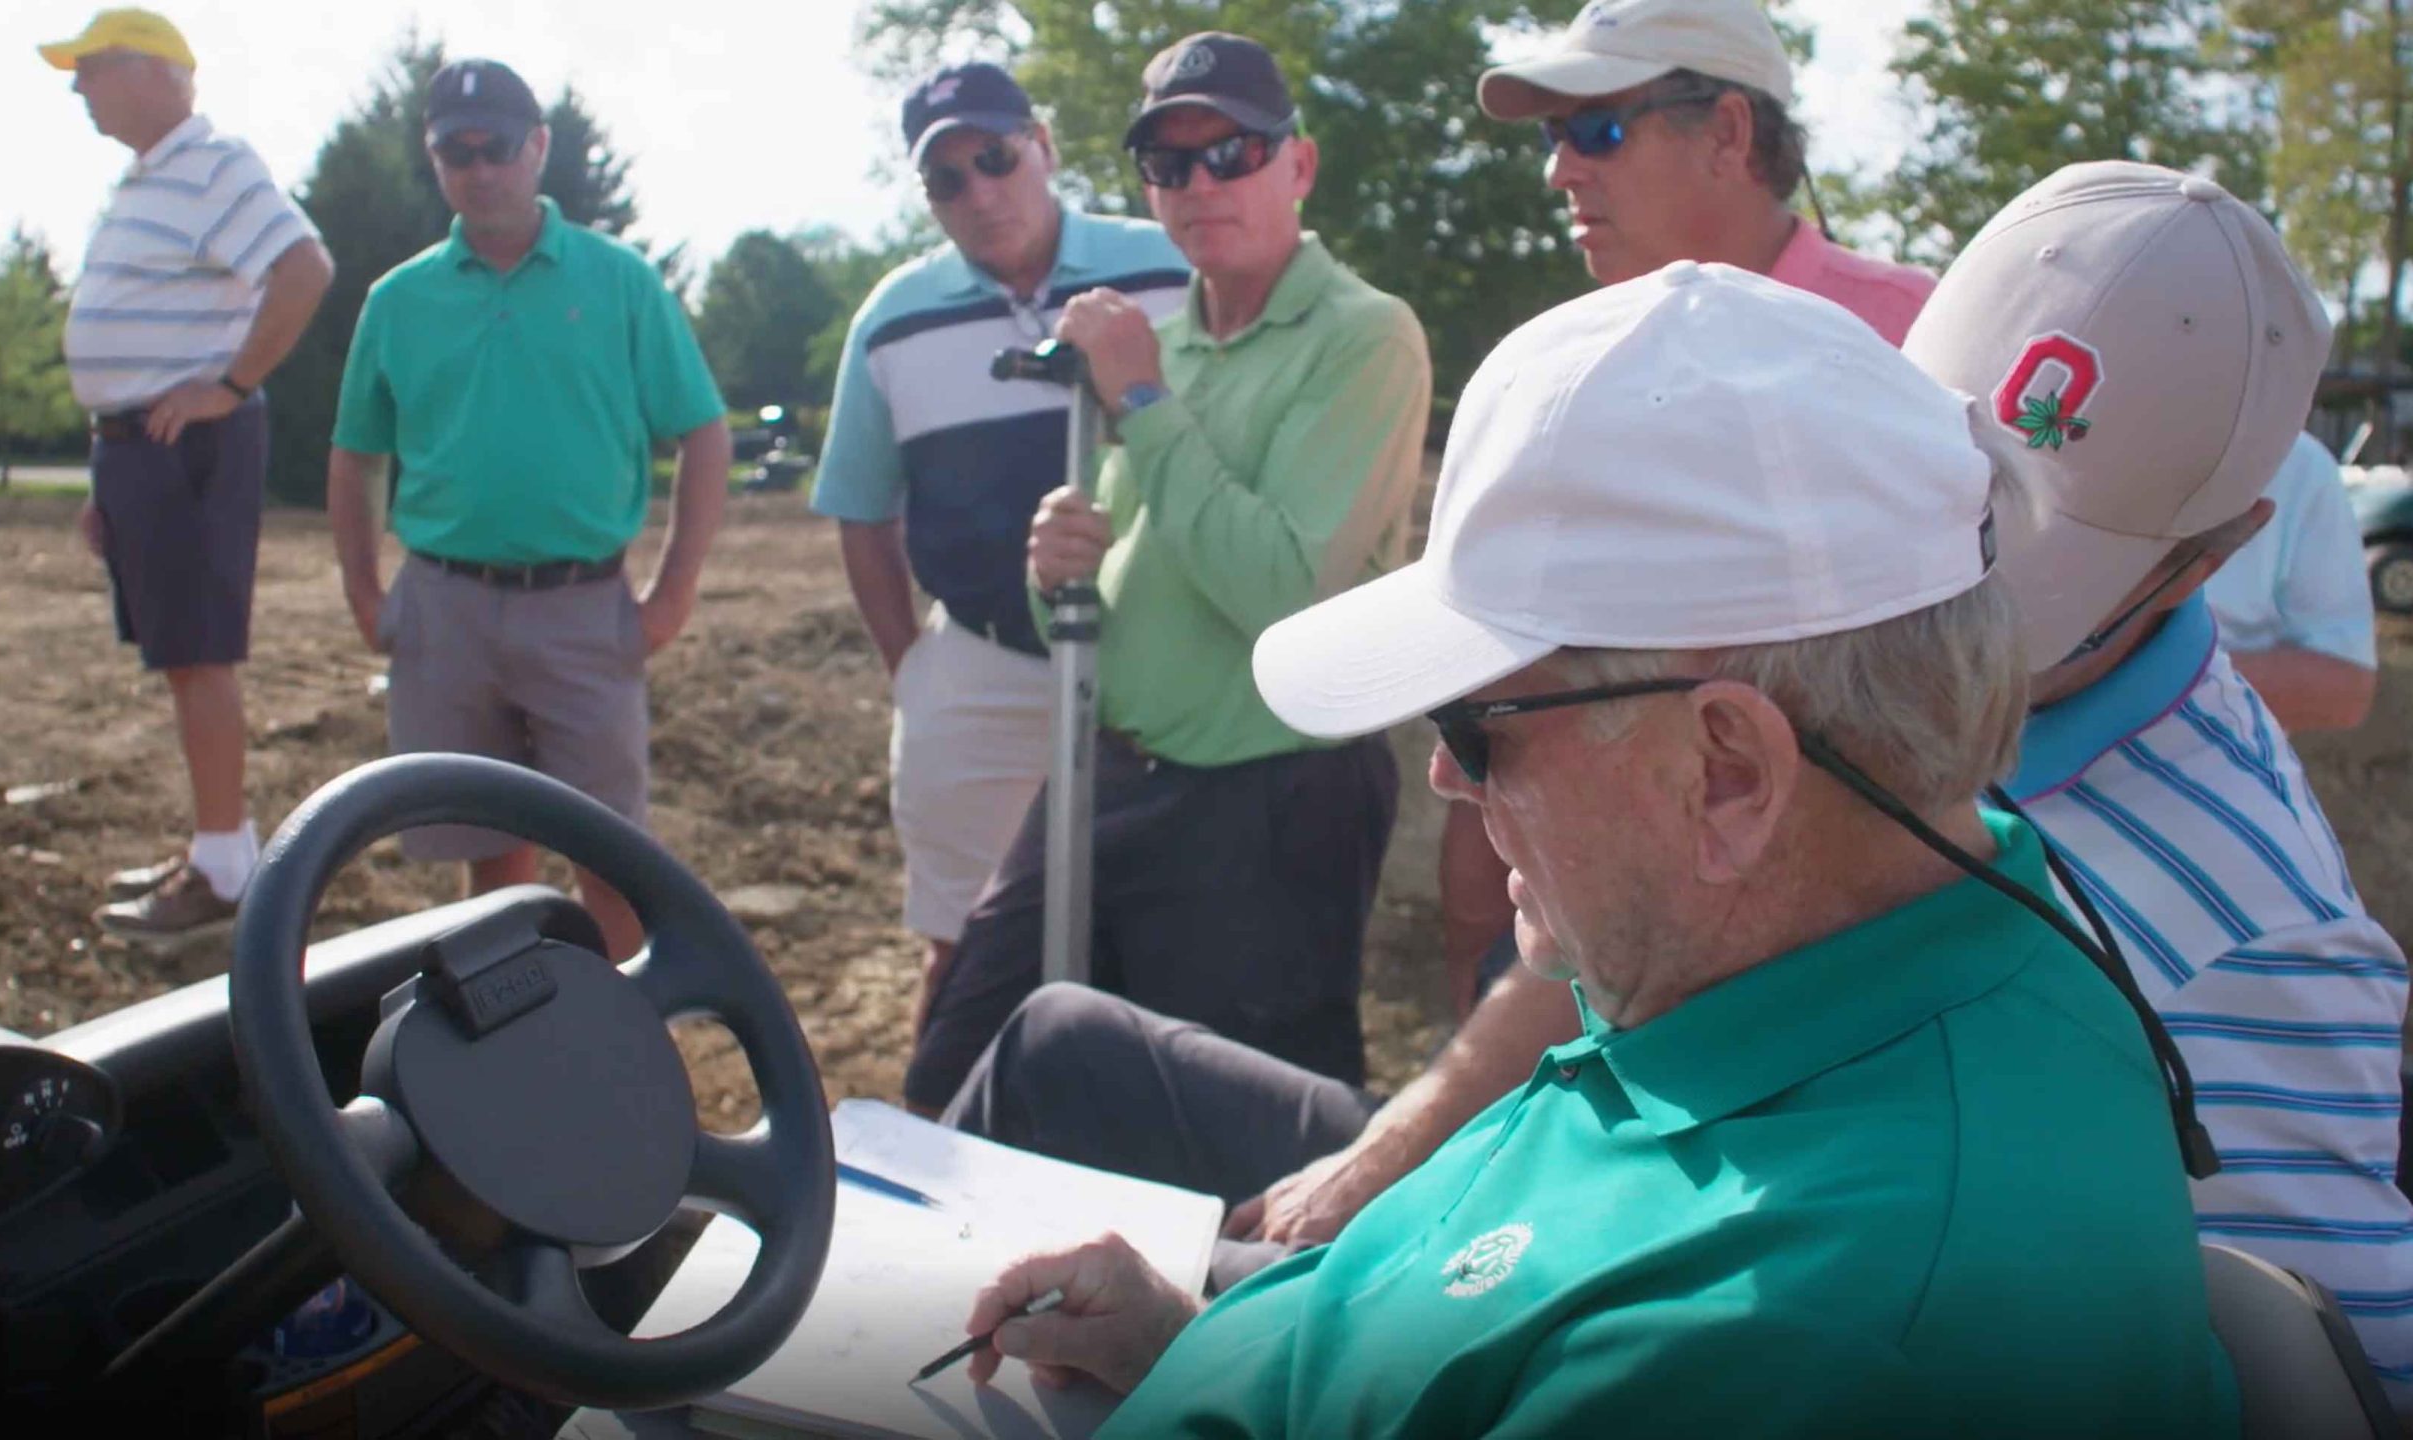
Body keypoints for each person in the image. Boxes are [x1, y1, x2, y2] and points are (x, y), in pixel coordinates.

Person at [955, 162, 2413, 1412]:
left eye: (1481, 723)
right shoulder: (1842, 913)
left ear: (1731, 768)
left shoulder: (1775, 1335)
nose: (1447, 783)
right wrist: (1214, 1355)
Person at [1905, 163, 2409, 1412]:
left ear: (2213, 553)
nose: (1921, 610)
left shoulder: (2247, 947)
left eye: (2018, 566)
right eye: (1922, 489)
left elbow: (2342, 1385)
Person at [901, 32, 1432, 1115]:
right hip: (1110, 776)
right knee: (960, 1071)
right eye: (1167, 164)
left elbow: (1287, 594)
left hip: (1264, 803)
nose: (1198, 184)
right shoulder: (1162, 344)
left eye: (1231, 152)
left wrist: (1141, 405)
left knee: (1228, 1140)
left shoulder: (1362, 337)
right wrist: (1061, 578)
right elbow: (1116, 593)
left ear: (1299, 166)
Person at [1435, 0, 1943, 1005]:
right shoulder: (1571, 360)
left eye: (1596, 129)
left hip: (1827, 979)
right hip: (1584, 923)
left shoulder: (1918, 346)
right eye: (1553, 135)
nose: (1559, 169)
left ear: (1726, 132)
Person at [325, 58, 731, 962]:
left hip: (583, 607)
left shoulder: (619, 282)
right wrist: (363, 590)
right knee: (484, 848)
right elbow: (355, 454)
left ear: (538, 147)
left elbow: (703, 435)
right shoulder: (397, 299)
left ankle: (628, 1046)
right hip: (443, 608)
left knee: (613, 857)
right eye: (454, 151)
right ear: (434, 160)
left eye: (497, 147)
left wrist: (671, 595)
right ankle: (514, 1049)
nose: (478, 168)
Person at [812, 62, 1188, 1027]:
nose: (979, 192)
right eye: (947, 178)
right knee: (970, 945)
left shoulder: (1171, 266)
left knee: (1161, 939)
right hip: (977, 670)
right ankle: (960, 1146)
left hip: (1158, 669)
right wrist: (917, 670)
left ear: (1044, 146)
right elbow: (861, 509)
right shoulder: (893, 318)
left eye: (995, 156)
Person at [45, 7, 334, 945]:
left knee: (200, 654)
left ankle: (221, 869)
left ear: (155, 70)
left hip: (187, 448)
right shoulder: (143, 179)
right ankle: (222, 848)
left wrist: (231, 382)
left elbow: (304, 267)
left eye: (89, 69)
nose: (76, 87)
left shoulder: (214, 163)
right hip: (141, 449)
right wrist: (110, 466)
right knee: (181, 656)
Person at [2206, 432, 2378, 732]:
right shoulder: (2096, 432)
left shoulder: (2296, 463)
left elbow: (2345, 689)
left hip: (2212, 769)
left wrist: (2147, 683)